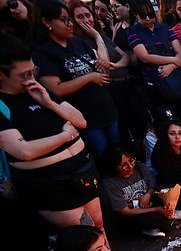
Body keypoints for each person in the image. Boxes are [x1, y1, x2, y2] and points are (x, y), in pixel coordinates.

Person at [0, 34, 105, 231]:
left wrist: (48, 102)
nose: (31, 79)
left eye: (33, 71)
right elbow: (25, 151)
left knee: (99, 226)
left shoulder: (37, 90)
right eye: (24, 75)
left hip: (83, 173)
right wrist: (65, 136)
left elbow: (80, 121)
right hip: (53, 186)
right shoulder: (3, 105)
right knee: (86, 236)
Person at [33, 0, 120, 160]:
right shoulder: (43, 52)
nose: (70, 24)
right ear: (46, 22)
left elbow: (103, 68)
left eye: (70, 19)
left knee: (117, 154)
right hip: (85, 118)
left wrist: (101, 63)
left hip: (107, 109)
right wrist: (90, 77)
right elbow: (56, 89)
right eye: (63, 19)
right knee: (103, 159)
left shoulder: (78, 42)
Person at [70, 0, 151, 150]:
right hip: (112, 89)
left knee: (142, 122)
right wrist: (96, 36)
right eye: (80, 17)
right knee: (125, 132)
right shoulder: (79, 42)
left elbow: (124, 56)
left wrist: (119, 64)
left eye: (88, 15)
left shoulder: (101, 35)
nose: (86, 20)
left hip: (127, 83)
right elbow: (103, 63)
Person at [101, 145, 181, 238]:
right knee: (134, 221)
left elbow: (152, 184)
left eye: (131, 161)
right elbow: (125, 212)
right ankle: (165, 219)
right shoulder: (109, 183)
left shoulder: (139, 166)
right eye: (124, 165)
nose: (130, 166)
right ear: (113, 167)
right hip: (134, 213)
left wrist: (148, 194)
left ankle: (166, 216)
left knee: (167, 190)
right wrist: (156, 209)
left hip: (149, 202)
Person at [127, 0, 181, 115]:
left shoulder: (165, 28)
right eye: (143, 16)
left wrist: (171, 67)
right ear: (136, 16)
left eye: (150, 15)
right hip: (155, 86)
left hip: (176, 82)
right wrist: (174, 60)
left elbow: (180, 52)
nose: (148, 19)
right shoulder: (133, 32)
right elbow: (145, 57)